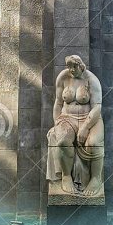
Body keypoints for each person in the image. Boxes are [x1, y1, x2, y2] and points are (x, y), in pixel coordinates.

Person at [46, 55, 104, 197]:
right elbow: (58, 103)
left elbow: (97, 107)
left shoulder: (92, 80)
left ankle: (95, 178)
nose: (71, 70)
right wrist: (57, 124)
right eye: (69, 67)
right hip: (67, 118)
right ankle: (66, 176)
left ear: (81, 65)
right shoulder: (63, 77)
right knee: (62, 140)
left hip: (90, 119)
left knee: (94, 143)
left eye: (74, 66)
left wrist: (85, 127)